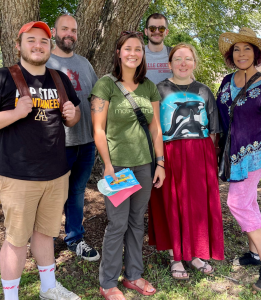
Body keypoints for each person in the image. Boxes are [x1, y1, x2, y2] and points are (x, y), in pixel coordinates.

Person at [0, 21, 81, 300]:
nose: (38, 45)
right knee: (16, 240)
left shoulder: (59, 78)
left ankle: (48, 288)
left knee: (45, 233)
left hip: (56, 173)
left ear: (50, 47)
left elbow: (74, 117)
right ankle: (11, 297)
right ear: (18, 45)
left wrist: (70, 114)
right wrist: (15, 113)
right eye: (31, 40)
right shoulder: (1, 77)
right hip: (18, 176)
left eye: (43, 41)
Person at [90, 31, 165, 300]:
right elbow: (98, 130)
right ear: (119, 53)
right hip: (118, 168)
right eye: (128, 48)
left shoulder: (148, 87)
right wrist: (107, 165)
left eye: (138, 49)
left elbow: (155, 127)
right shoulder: (105, 85)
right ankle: (108, 282)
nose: (133, 53)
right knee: (117, 223)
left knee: (136, 222)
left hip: (145, 165)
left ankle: (133, 275)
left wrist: (160, 163)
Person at [149, 42, 225, 280]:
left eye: (188, 59)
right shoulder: (158, 89)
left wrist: (209, 160)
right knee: (173, 201)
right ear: (169, 63)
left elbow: (213, 130)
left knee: (197, 203)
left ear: (194, 63)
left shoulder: (203, 91)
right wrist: (159, 159)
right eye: (178, 59)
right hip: (170, 153)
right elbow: (154, 128)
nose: (183, 63)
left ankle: (195, 254)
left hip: (199, 152)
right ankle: (176, 255)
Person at [217, 27, 261, 291]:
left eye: (247, 49)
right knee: (249, 202)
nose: (241, 53)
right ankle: (255, 254)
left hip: (254, 155)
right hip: (231, 153)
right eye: (236, 49)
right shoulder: (225, 81)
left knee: (237, 203)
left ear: (256, 54)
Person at [46, 14, 99, 261]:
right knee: (50, 194)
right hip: (56, 143)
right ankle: (43, 240)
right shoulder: (44, 62)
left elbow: (97, 100)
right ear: (54, 32)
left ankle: (74, 238)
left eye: (74, 30)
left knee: (77, 191)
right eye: (64, 29)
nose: (69, 34)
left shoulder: (85, 64)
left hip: (86, 141)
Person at [144, 13, 172, 84]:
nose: (157, 31)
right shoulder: (137, 54)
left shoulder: (174, 54)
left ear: (166, 32)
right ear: (146, 32)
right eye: (152, 28)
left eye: (161, 28)